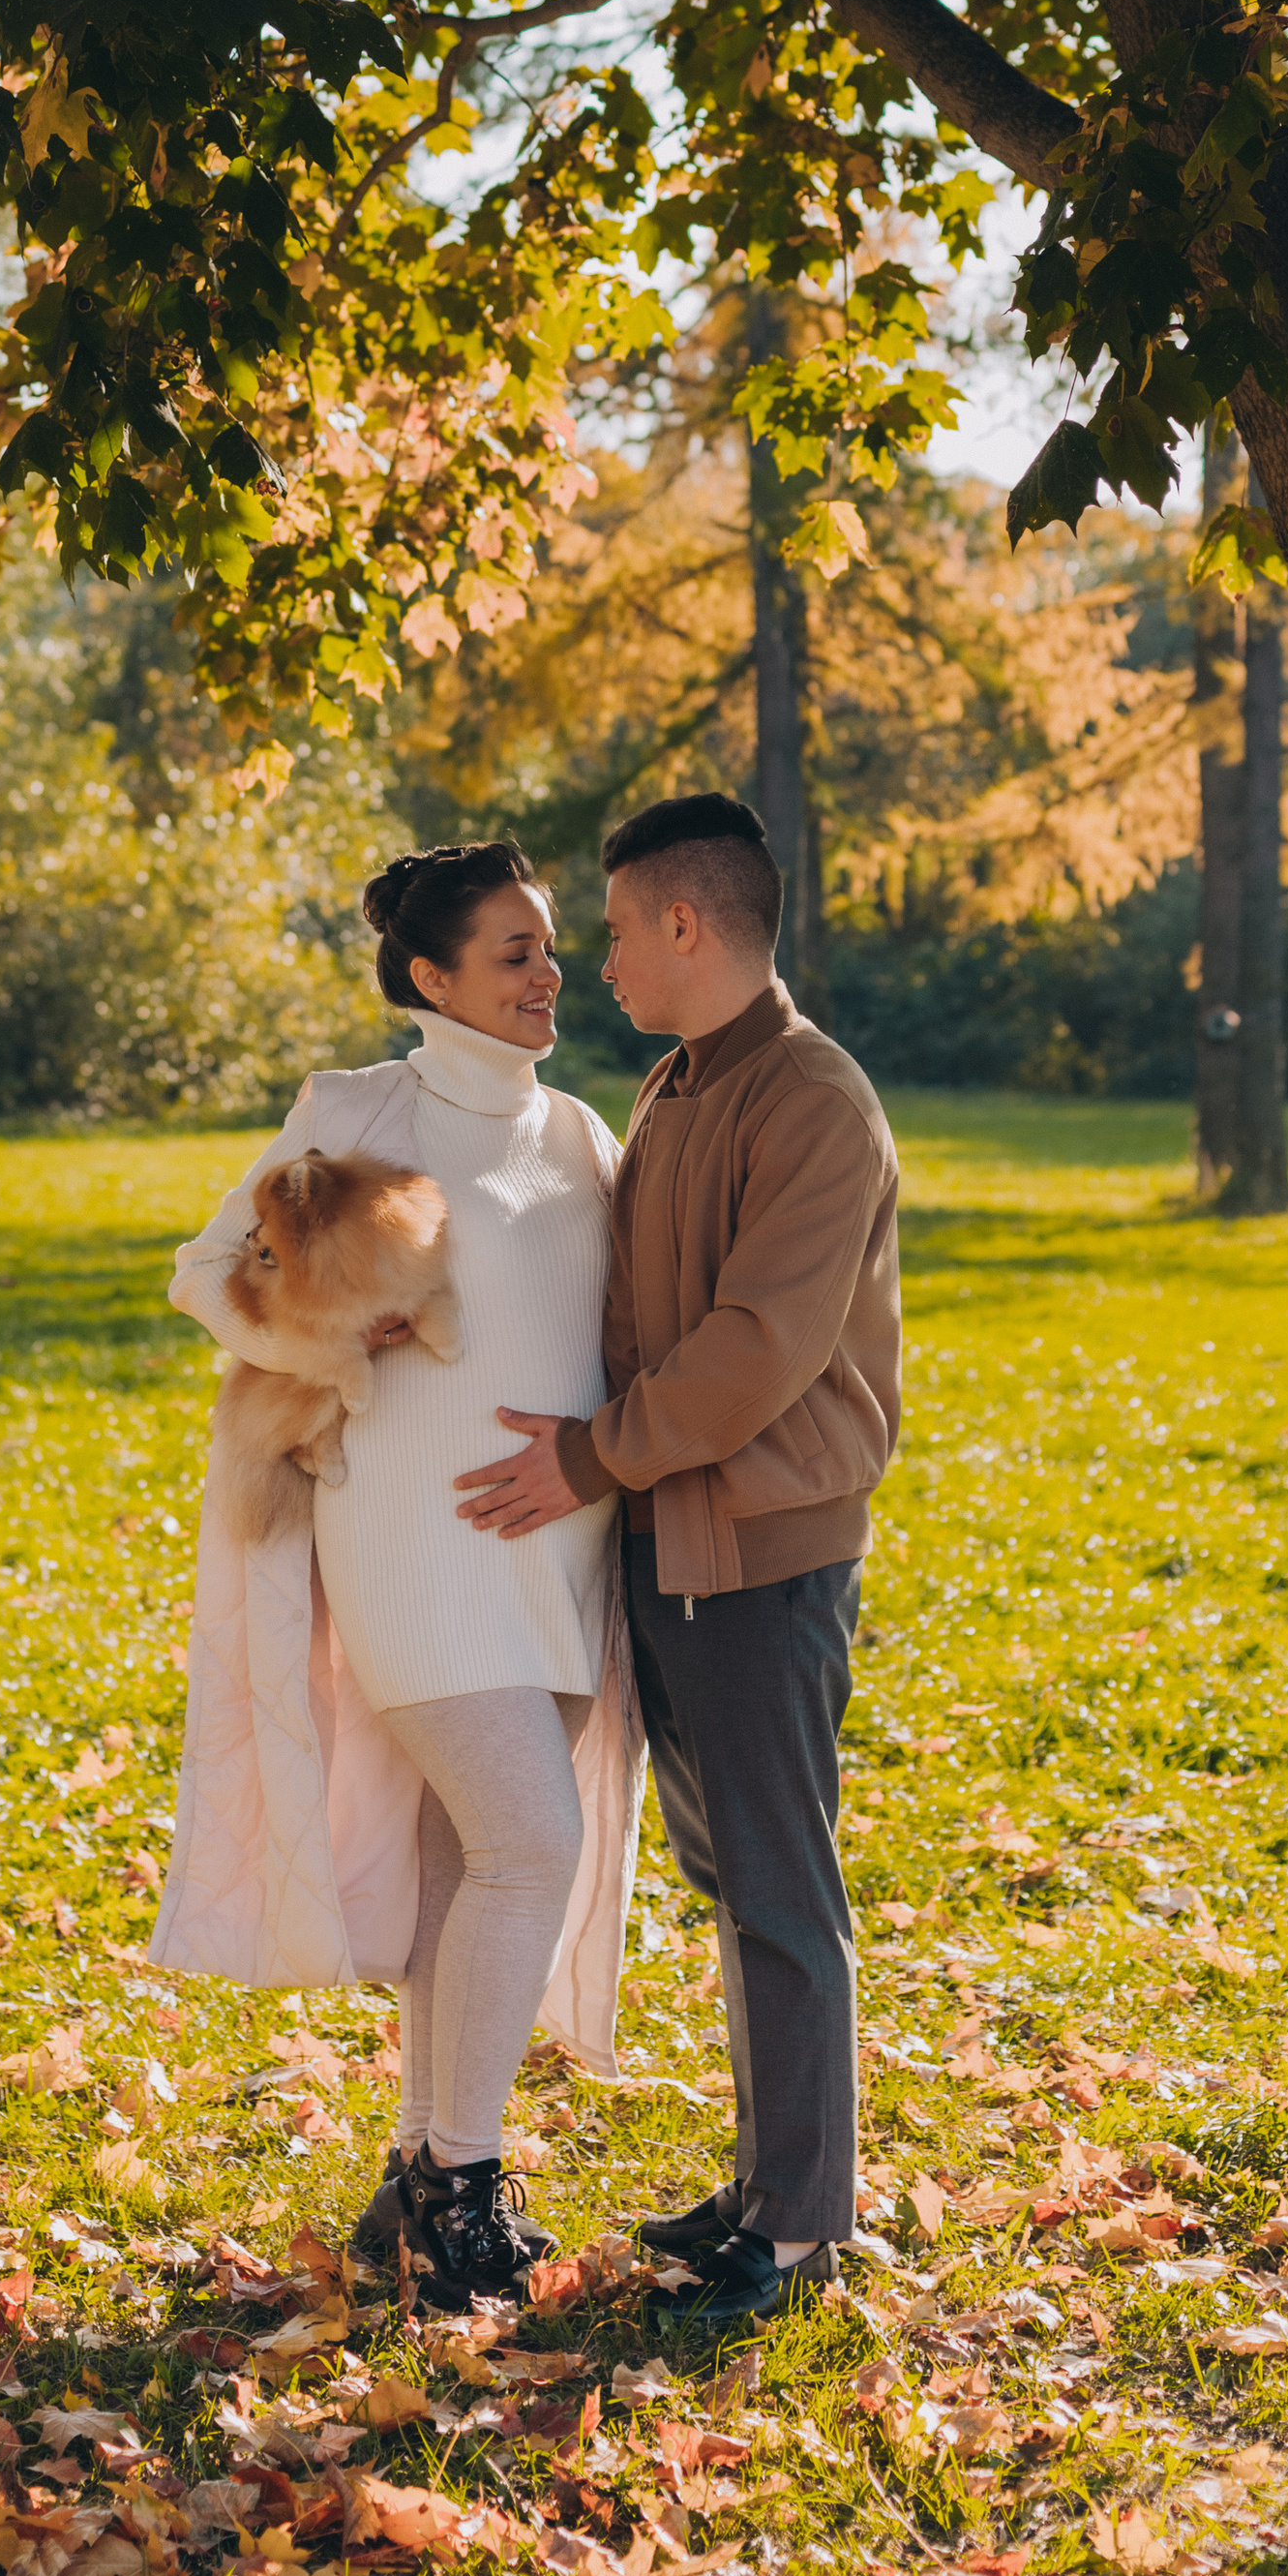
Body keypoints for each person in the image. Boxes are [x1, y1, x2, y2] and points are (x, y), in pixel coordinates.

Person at [149, 840, 643, 2310]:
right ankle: (465, 2195)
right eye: (514, 951)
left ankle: (417, 2171)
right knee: (527, 1847)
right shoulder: (356, 1110)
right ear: (432, 978)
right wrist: (328, 1335)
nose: (547, 975)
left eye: (550, 949)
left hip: (561, 1541)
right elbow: (203, 1272)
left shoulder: (578, 1134)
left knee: (461, 1871)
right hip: (411, 1542)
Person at [456, 793, 900, 2329]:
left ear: (690, 925)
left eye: (623, 930)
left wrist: (583, 1458)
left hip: (762, 1558)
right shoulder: (680, 1083)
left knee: (781, 1886)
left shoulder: (812, 1101)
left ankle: (798, 2234)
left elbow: (756, 1349)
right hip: (670, 1545)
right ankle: (774, 2187)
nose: (600, 965)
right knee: (731, 1876)